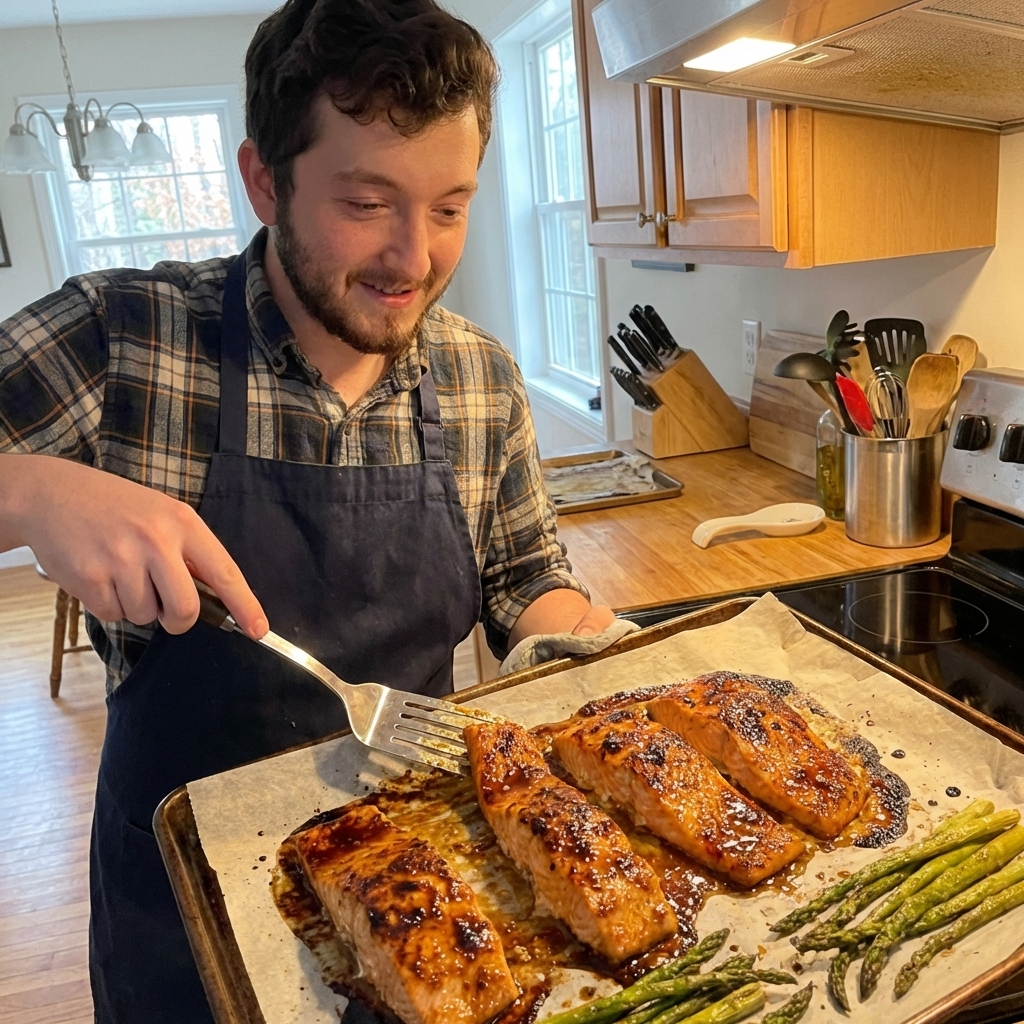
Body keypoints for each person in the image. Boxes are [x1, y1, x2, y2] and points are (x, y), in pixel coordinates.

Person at [0, 0, 622, 1020]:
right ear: (264, 179)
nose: (413, 258)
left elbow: (524, 582)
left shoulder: (480, 378)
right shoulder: (127, 339)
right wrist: (24, 489)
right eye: (368, 202)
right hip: (185, 915)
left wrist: (588, 642)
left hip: (426, 904)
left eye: (451, 207)